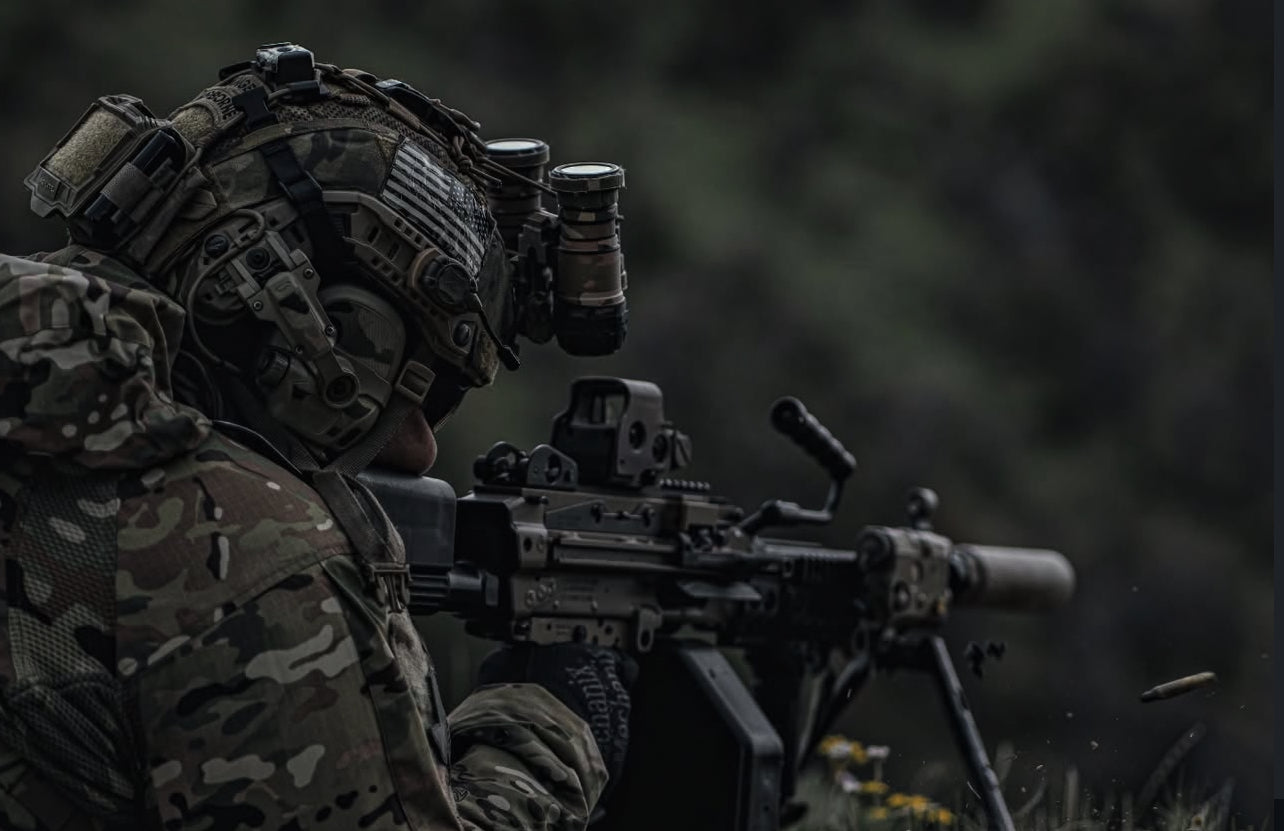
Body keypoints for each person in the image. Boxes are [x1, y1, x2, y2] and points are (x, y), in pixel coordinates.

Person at [0, 43, 633, 830]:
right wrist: (545, 733)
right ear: (313, 327)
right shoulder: (246, 548)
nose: (420, 448)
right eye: (421, 387)